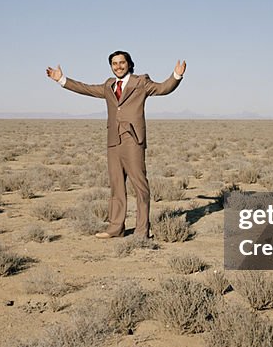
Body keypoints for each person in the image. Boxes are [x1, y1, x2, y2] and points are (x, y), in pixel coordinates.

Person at [46, 51, 186, 239]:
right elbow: (86, 88)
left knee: (140, 186)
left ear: (129, 64)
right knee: (116, 185)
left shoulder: (141, 82)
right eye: (114, 63)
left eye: (121, 62)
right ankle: (115, 228)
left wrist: (176, 75)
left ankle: (142, 231)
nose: (118, 66)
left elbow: (163, 88)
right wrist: (61, 79)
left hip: (133, 140)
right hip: (113, 141)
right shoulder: (108, 85)